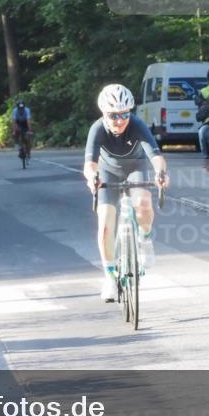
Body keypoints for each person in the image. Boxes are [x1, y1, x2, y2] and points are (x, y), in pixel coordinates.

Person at [83, 84, 169, 302]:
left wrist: (161, 172)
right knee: (105, 225)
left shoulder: (137, 125)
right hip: (107, 172)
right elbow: (90, 164)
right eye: (113, 115)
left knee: (143, 203)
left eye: (124, 114)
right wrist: (92, 178)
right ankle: (110, 277)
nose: (119, 120)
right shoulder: (98, 129)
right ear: (104, 113)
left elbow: (155, 155)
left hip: (135, 168)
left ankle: (145, 240)